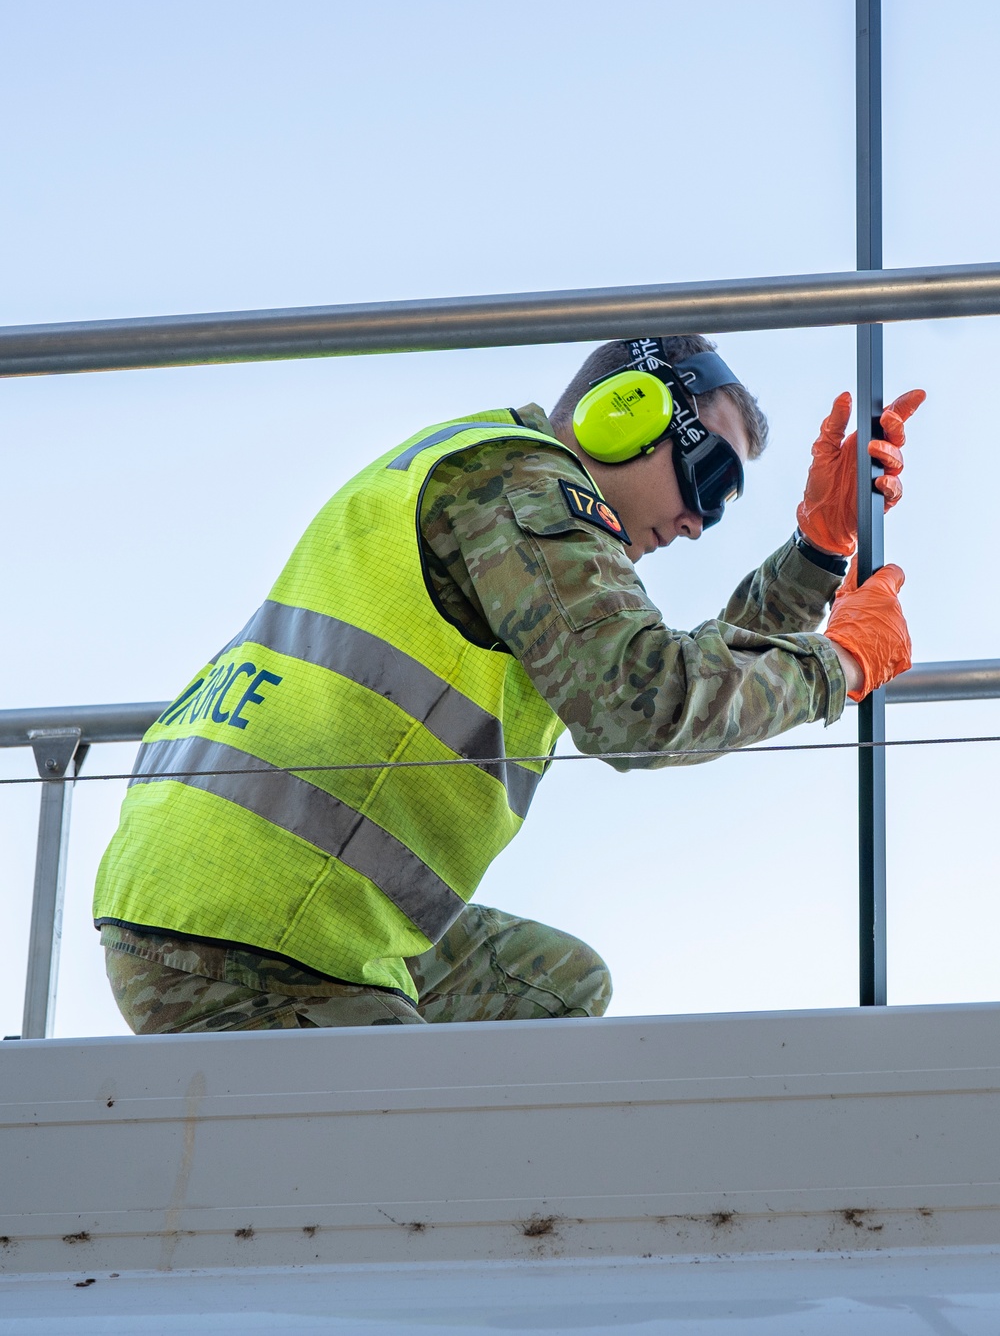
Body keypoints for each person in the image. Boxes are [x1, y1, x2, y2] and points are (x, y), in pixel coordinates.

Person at [93, 335, 923, 1033]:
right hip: (256, 935)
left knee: (561, 985)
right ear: (624, 412)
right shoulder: (528, 489)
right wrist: (841, 663)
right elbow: (645, 703)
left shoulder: (491, 471)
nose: (699, 521)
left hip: (254, 891)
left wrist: (816, 553)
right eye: (708, 476)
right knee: (431, 1188)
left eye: (727, 502)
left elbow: (669, 666)